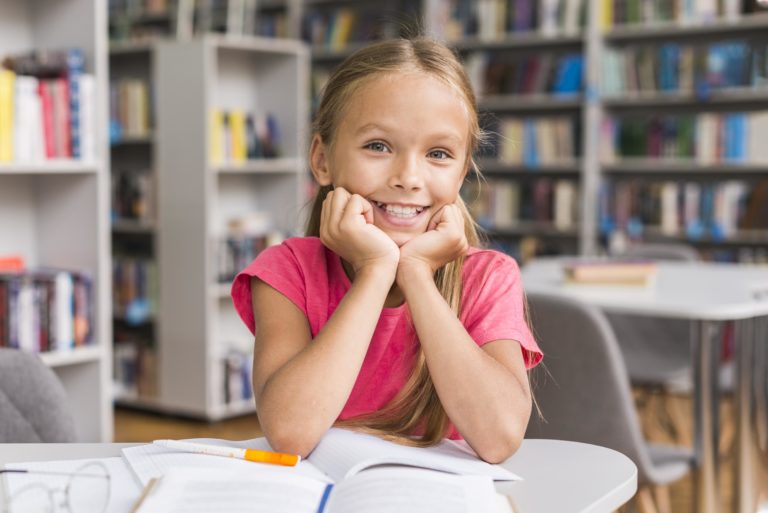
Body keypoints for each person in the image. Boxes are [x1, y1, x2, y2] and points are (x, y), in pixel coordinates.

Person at [231, 37, 542, 463]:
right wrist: (376, 271)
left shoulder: (489, 276)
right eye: (378, 146)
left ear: (463, 173)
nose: (408, 177)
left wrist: (415, 275)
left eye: (438, 153)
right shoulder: (287, 271)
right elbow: (290, 433)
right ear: (322, 160)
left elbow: (500, 437)